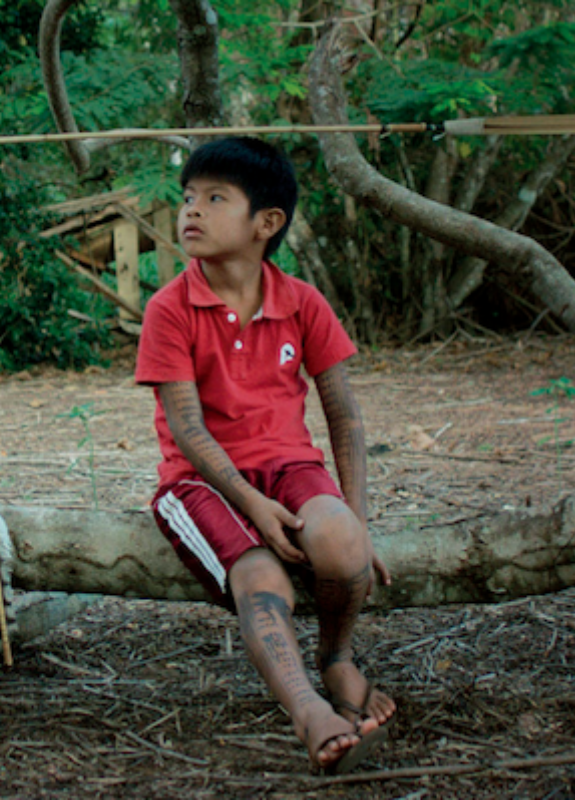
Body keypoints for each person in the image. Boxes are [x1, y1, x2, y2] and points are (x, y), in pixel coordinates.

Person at [135, 137, 396, 774]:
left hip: (288, 465)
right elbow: (189, 431)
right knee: (262, 578)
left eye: (215, 198)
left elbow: (344, 414)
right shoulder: (170, 308)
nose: (191, 210)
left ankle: (337, 658)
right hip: (200, 481)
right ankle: (308, 710)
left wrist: (356, 519)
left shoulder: (302, 301)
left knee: (338, 540)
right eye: (188, 197)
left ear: (267, 223)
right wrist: (251, 503)